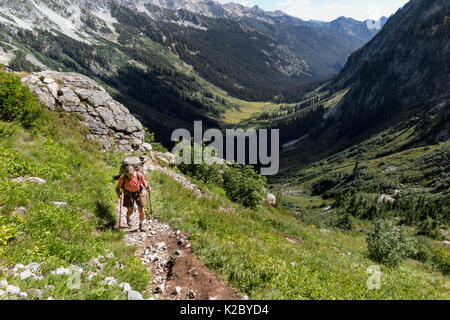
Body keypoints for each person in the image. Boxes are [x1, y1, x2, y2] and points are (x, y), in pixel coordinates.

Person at [116, 165, 151, 231]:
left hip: (138, 192)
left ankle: (141, 225)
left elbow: (144, 182)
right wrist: (119, 194)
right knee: (130, 210)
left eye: (132, 174)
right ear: (125, 173)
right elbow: (117, 188)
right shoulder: (122, 177)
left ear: (135, 172)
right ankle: (128, 217)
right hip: (127, 193)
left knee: (142, 209)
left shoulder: (139, 175)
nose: (130, 176)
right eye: (129, 175)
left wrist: (147, 187)